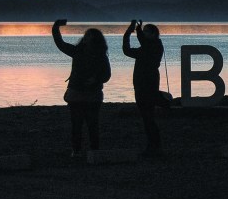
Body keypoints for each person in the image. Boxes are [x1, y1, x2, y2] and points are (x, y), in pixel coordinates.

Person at [52, 19, 111, 157]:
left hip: (92, 94)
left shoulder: (101, 56)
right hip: (77, 93)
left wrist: (95, 79)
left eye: (89, 36)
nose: (86, 37)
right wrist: (55, 27)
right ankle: (77, 150)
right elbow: (60, 44)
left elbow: (107, 75)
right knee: (77, 124)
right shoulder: (77, 51)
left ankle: (93, 150)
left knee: (92, 124)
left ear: (95, 40)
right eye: (86, 35)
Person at [123, 19, 169, 157]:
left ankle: (154, 146)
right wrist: (131, 32)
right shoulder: (149, 47)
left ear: (154, 34)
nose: (144, 34)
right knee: (147, 117)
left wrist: (134, 31)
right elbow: (128, 50)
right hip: (142, 85)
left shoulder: (153, 46)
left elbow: (136, 45)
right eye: (144, 32)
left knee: (148, 117)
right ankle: (153, 146)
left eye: (147, 32)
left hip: (147, 85)